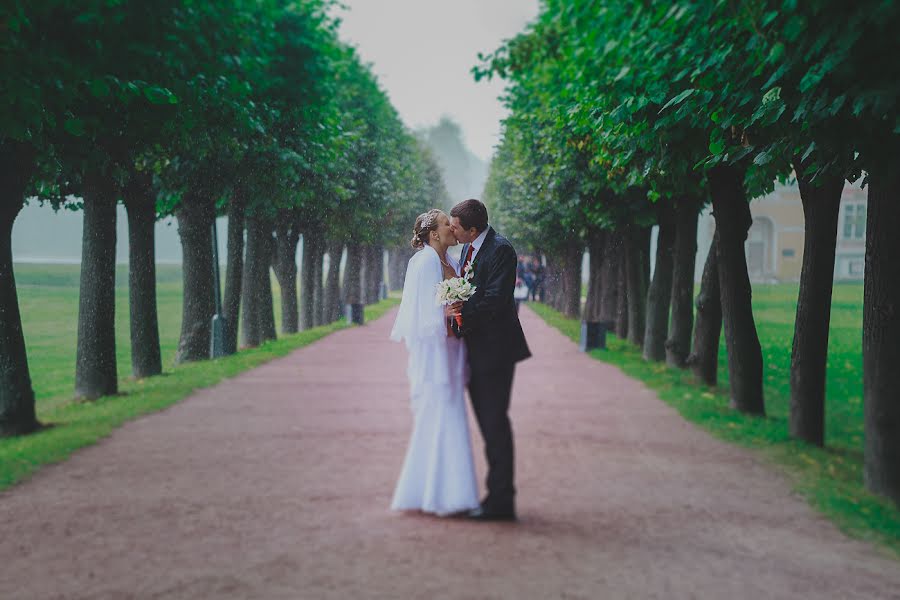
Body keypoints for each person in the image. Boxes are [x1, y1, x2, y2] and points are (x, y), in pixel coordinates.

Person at [389, 209, 480, 517]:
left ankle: (436, 491)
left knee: (449, 412)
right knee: (442, 411)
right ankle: (445, 496)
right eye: (446, 225)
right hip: (438, 350)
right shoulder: (426, 261)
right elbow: (423, 313)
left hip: (452, 348)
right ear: (433, 234)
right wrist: (452, 313)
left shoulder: (450, 261)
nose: (452, 228)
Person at [448, 198, 531, 521]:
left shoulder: (500, 249)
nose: (451, 231)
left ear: (472, 229)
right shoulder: (468, 249)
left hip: (496, 350)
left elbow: (496, 300)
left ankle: (501, 502)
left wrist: (461, 315)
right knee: (487, 422)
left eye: (456, 227)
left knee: (495, 422)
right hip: (477, 349)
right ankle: (495, 495)